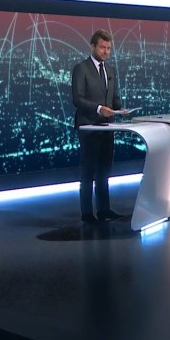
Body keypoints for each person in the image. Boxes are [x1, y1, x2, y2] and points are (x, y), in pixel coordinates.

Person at [72, 29, 125, 223]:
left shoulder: (110, 71)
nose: (106, 52)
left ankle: (104, 209)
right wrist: (99, 109)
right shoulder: (81, 69)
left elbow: (114, 99)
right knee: (88, 171)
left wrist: (121, 110)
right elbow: (77, 99)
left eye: (109, 48)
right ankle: (87, 213)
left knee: (104, 170)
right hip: (89, 126)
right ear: (93, 46)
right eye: (103, 47)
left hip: (106, 127)